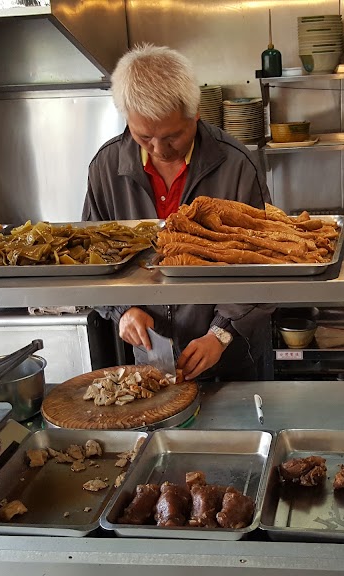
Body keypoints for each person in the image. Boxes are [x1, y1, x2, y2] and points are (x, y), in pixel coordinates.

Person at [83, 44, 273, 382]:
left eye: (172, 137)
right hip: (151, 359)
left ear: (196, 112)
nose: (159, 150)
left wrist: (221, 332)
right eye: (144, 137)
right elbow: (93, 259)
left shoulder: (237, 165)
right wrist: (123, 311)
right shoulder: (105, 167)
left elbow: (263, 261)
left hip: (230, 357)